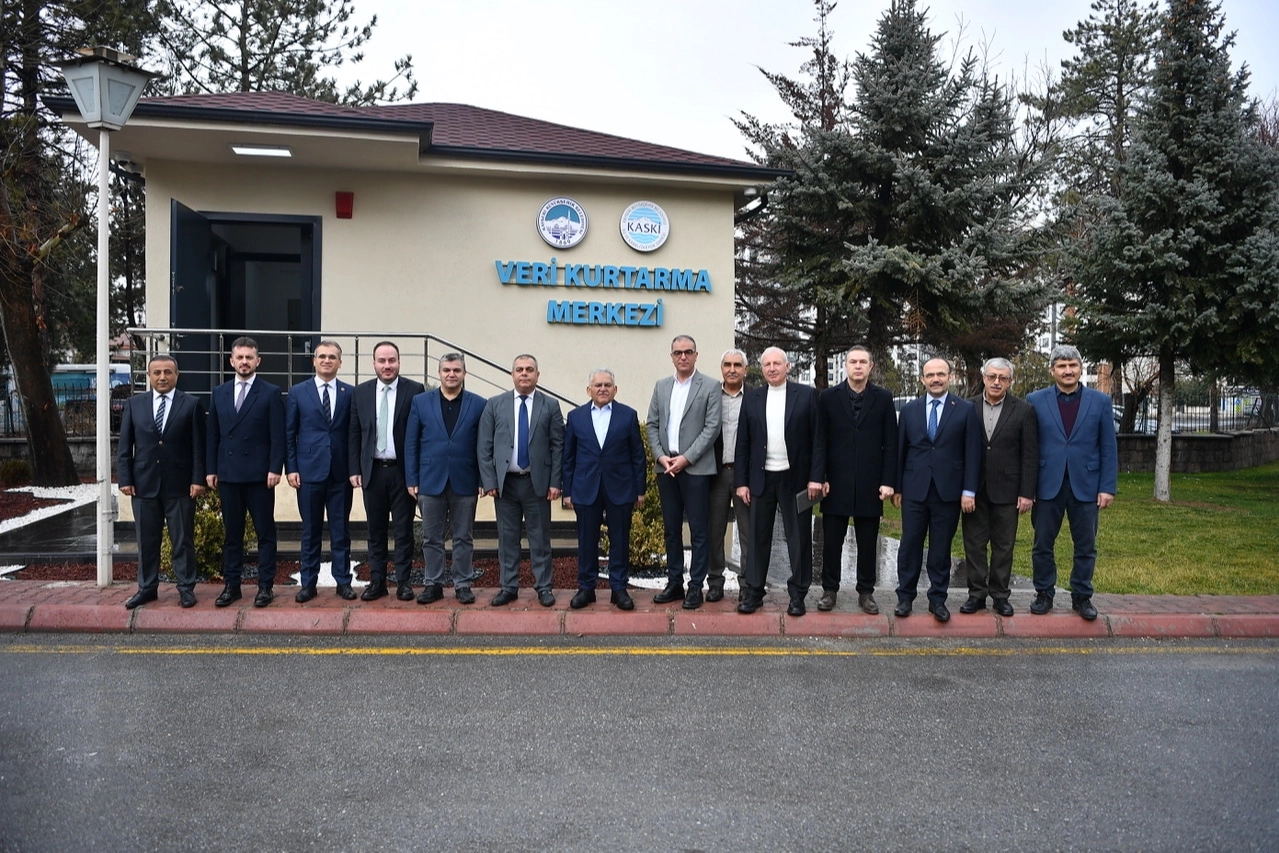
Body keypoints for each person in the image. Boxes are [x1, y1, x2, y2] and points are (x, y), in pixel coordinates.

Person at [1027, 344, 1118, 621]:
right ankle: (1044, 593)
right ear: (1052, 370)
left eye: (1073, 365)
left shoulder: (1100, 401)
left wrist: (1107, 487)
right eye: (1062, 366)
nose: (1068, 370)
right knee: (1043, 544)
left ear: (1080, 368)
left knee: (1086, 545)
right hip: (1046, 485)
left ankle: (1082, 596)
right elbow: (1029, 447)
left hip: (1086, 485)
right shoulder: (1035, 400)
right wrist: (1028, 488)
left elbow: (1108, 446)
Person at [892, 357, 983, 622]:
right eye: (930, 375)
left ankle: (938, 599)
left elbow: (972, 453)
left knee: (941, 547)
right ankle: (905, 597)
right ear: (922, 379)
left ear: (950, 377)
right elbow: (900, 451)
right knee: (910, 545)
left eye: (941, 374)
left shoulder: (965, 410)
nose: (935, 379)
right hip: (914, 489)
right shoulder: (909, 410)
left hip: (948, 490)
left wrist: (969, 491)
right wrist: (897, 487)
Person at [734, 347, 822, 616]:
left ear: (787, 366)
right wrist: (742, 482)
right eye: (767, 364)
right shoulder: (752, 398)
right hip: (761, 478)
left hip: (796, 479)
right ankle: (754, 592)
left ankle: (797, 595)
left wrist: (816, 478)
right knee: (758, 538)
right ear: (761, 369)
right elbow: (743, 443)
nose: (772, 368)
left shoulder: (806, 395)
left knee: (799, 538)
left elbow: (818, 440)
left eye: (777, 363)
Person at [117, 355, 206, 609]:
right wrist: (125, 478)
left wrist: (198, 479)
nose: (162, 377)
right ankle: (147, 588)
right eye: (157, 373)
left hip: (180, 485)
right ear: (149, 376)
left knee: (182, 540)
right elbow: (125, 446)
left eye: (168, 372)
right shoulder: (134, 405)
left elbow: (199, 447)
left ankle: (186, 588)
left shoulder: (191, 404)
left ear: (177, 375)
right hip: (143, 484)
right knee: (146, 541)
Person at [815, 345, 898, 614]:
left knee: (868, 541)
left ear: (871, 366)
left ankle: (866, 592)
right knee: (832, 541)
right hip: (835, 482)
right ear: (846, 366)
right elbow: (820, 441)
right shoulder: (828, 397)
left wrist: (888, 481)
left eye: (863, 362)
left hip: (870, 483)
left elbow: (891, 444)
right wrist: (820, 476)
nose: (858, 366)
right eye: (853, 362)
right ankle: (829, 590)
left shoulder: (883, 398)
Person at [478, 354, 564, 607]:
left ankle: (544, 587)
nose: (524, 373)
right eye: (519, 369)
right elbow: (484, 446)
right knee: (507, 539)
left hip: (537, 484)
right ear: (512, 374)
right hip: (505, 485)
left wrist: (555, 482)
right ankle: (509, 587)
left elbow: (558, 446)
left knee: (540, 539)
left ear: (538, 375)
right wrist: (489, 481)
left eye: (529, 369)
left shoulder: (550, 405)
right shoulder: (495, 404)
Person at [206, 336, 285, 608]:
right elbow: (212, 435)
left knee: (265, 533)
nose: (244, 362)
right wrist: (211, 469)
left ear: (258, 361)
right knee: (232, 534)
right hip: (228, 474)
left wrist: (275, 468)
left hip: (260, 475)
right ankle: (232, 586)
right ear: (231, 361)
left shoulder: (271, 392)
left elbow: (277, 436)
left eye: (249, 357)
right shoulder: (219, 393)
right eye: (239, 357)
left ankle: (265, 586)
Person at [645, 335, 722, 610]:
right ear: (672, 356)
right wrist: (661, 456)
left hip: (696, 469)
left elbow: (712, 428)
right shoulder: (661, 386)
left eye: (688, 352)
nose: (683, 357)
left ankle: (695, 586)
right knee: (671, 529)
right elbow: (652, 424)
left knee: (699, 530)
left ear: (696, 355)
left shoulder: (710, 386)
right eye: (678, 352)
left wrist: (686, 459)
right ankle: (674, 582)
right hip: (666, 468)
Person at [562, 368, 647, 611]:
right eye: (598, 385)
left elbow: (637, 455)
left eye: (607, 385)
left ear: (615, 389)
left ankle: (618, 589)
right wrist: (568, 491)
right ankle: (586, 588)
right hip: (585, 488)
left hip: (620, 487)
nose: (602, 389)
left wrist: (639, 489)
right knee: (586, 540)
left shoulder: (628, 415)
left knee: (619, 539)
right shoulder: (576, 417)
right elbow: (568, 457)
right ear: (589, 390)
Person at [348, 340, 425, 602]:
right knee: (375, 531)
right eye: (382, 361)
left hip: (402, 472)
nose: (387, 365)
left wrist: (416, 474)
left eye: (392, 360)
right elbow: (354, 433)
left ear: (399, 362)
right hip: (373, 472)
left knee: (403, 531)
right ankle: (377, 582)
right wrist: (354, 468)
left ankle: (403, 583)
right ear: (374, 363)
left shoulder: (414, 390)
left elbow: (419, 434)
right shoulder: (360, 392)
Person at [406, 353, 486, 605]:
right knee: (432, 538)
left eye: (457, 370)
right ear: (439, 373)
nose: (452, 374)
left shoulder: (479, 404)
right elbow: (411, 443)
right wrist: (412, 478)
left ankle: (462, 584)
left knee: (464, 537)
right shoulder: (420, 402)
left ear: (464, 373)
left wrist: (483, 479)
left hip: (466, 479)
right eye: (447, 370)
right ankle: (433, 584)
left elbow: (484, 445)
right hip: (429, 479)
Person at [960, 358, 1038, 617]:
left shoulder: (1024, 410)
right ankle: (976, 594)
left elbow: (1030, 454)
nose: (996, 382)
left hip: (1008, 490)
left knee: (1004, 546)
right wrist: (964, 488)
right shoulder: (967, 407)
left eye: (1002, 378)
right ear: (983, 377)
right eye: (992, 376)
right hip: (974, 489)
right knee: (974, 544)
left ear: (1010, 381)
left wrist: (1027, 492)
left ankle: (1000, 595)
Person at [286, 340, 356, 602]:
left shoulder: (350, 393)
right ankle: (308, 583)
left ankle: (343, 582)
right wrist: (291, 468)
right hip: (308, 472)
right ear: (314, 360)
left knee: (341, 531)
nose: (327, 360)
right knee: (310, 531)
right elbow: (290, 433)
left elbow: (353, 435)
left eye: (332, 357)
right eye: (322, 356)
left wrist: (354, 469)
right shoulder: (298, 392)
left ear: (340, 362)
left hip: (340, 474)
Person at [708, 348, 750, 603]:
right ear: (721, 368)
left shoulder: (756, 397)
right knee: (714, 532)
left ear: (745, 369)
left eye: (737, 365)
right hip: (716, 474)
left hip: (746, 476)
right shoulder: (710, 396)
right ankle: (715, 582)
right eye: (727, 365)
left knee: (748, 533)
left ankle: (748, 584)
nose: (732, 369)